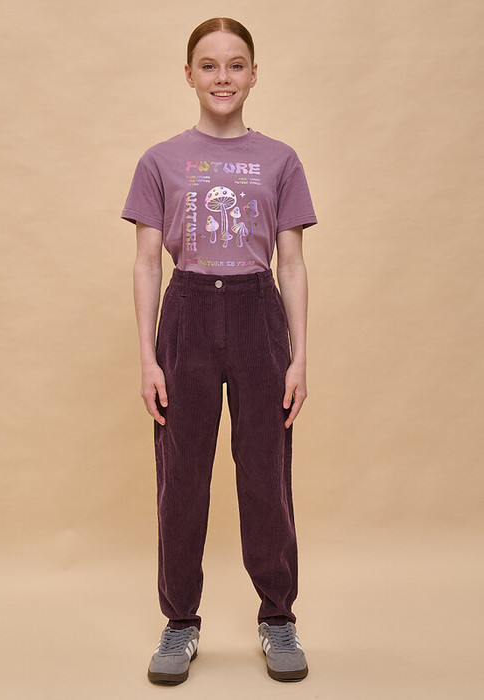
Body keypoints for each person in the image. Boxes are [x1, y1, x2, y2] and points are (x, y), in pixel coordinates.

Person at [121, 17, 318, 685]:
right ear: (189, 75)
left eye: (236, 65)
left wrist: (298, 356)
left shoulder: (280, 160)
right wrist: (148, 357)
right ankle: (179, 621)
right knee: (181, 477)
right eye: (209, 65)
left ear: (254, 75)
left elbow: (292, 262)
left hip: (258, 311)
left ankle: (277, 616)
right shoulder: (160, 160)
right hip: (187, 313)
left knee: (265, 473)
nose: (223, 77)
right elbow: (147, 261)